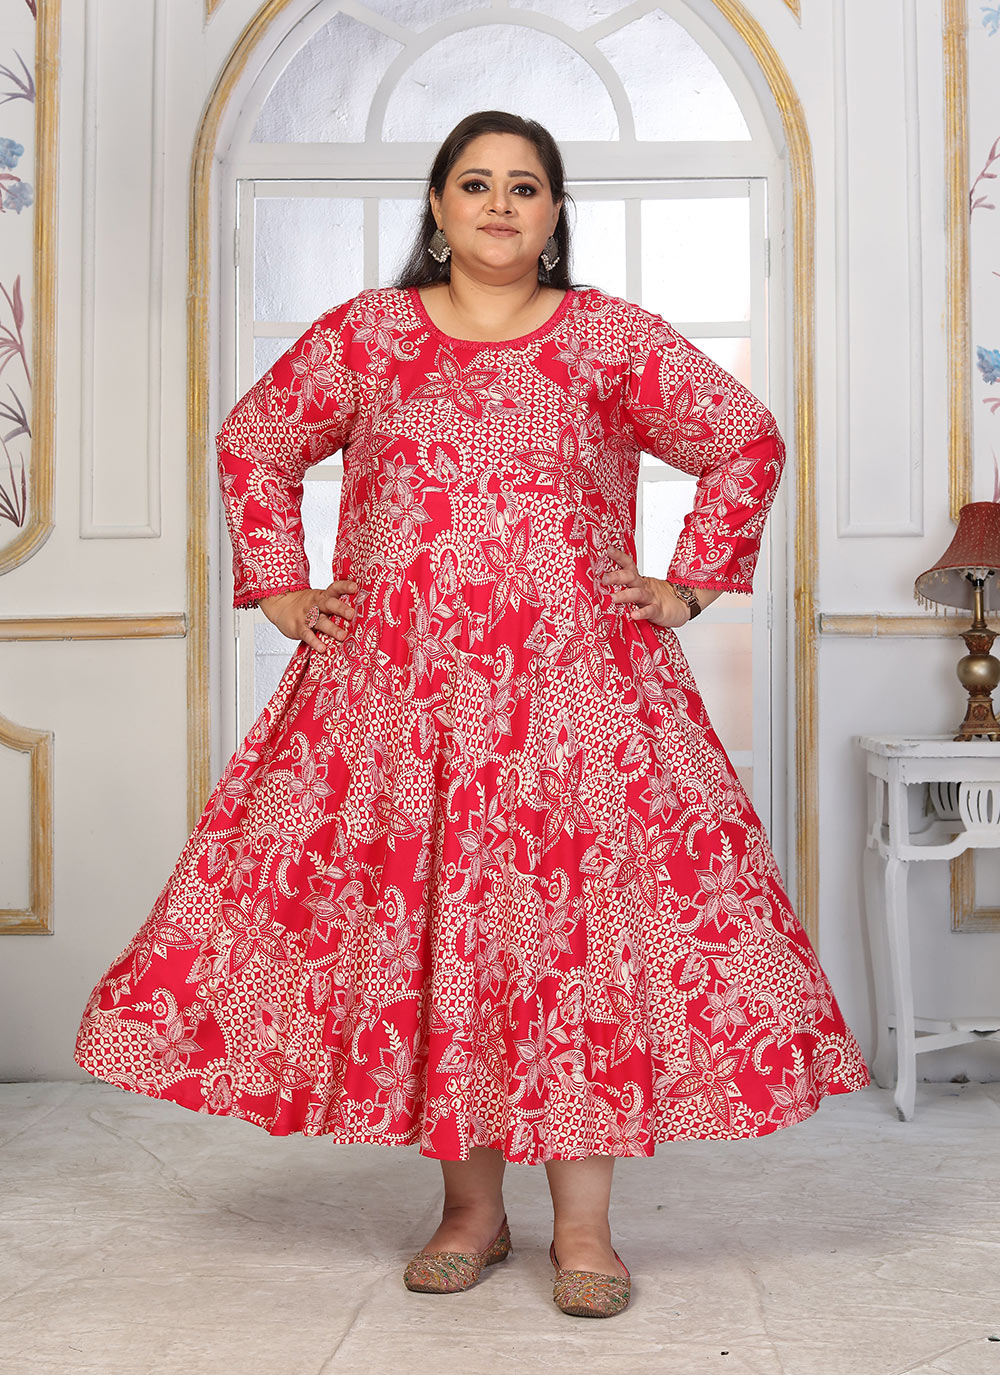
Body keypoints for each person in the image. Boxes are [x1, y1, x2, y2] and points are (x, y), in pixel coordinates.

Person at [75, 109, 870, 1320]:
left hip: (578, 701)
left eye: (525, 186)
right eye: (476, 183)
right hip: (401, 703)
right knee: (445, 946)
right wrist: (280, 583)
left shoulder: (608, 338)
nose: (501, 204)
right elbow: (255, 440)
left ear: (553, 213)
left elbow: (743, 439)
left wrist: (688, 583)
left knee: (574, 945)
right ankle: (470, 1213)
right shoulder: (368, 336)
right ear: (439, 206)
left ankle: (585, 1229)